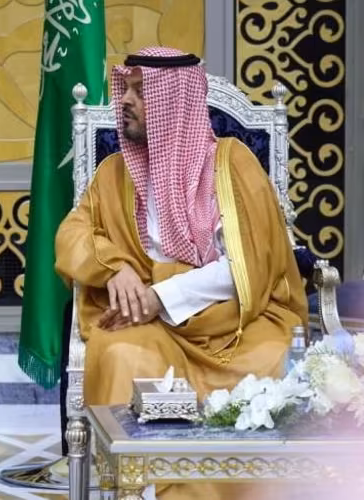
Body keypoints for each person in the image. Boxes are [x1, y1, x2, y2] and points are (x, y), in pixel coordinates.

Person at [54, 47, 307, 500]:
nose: (125, 100)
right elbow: (73, 233)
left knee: (272, 357)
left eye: (140, 91)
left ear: (173, 101)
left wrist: (162, 296)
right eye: (126, 89)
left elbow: (248, 265)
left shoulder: (231, 164)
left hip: (233, 316)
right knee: (122, 355)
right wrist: (115, 269)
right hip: (146, 321)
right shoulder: (115, 172)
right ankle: (139, 490)